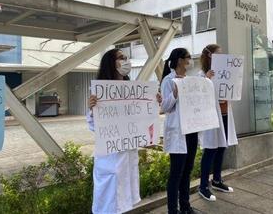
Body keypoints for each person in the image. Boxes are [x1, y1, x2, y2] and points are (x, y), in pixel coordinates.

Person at [87, 48, 161, 214]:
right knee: (108, 201)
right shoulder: (100, 92)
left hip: (127, 152)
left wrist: (154, 102)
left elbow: (141, 117)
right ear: (110, 63)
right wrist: (92, 109)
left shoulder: (131, 88)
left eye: (126, 57)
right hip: (110, 156)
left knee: (124, 199)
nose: (126, 61)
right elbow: (93, 126)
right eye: (121, 58)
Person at [161, 48, 200, 214]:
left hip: (191, 130)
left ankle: (185, 206)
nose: (190, 61)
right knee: (176, 173)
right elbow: (164, 107)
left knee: (187, 171)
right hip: (178, 131)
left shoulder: (190, 80)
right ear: (179, 60)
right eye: (188, 58)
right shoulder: (168, 81)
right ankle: (173, 210)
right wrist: (175, 94)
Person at [198, 44, 238, 202]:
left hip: (225, 113)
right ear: (209, 55)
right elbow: (199, 95)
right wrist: (207, 79)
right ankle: (203, 186)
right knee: (210, 149)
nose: (221, 56)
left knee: (222, 147)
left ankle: (216, 180)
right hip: (212, 118)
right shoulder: (202, 74)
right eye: (218, 54)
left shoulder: (223, 72)